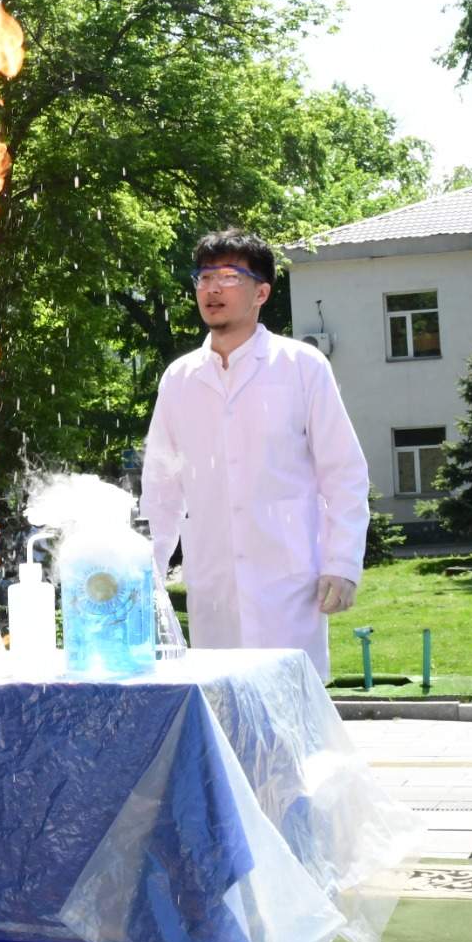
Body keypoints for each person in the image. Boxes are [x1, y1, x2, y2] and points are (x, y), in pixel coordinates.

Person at [139, 227, 370, 676]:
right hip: (213, 583)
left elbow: (343, 473)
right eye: (204, 277)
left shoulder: (301, 367)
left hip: (288, 583)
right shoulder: (180, 379)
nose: (212, 289)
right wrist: (148, 573)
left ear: (261, 292)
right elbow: (162, 486)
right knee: (220, 699)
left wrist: (342, 564)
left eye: (228, 276)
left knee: (290, 701)